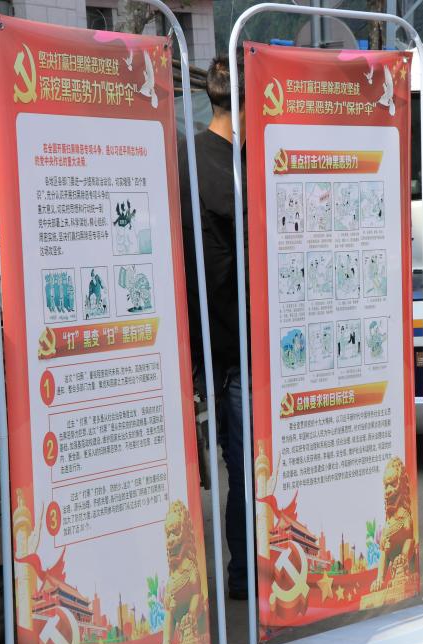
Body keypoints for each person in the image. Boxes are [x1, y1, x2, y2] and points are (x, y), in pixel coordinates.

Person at [184, 54, 249, 599]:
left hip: (208, 344)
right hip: (241, 344)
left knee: (238, 465)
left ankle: (242, 575)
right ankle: (249, 574)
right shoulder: (237, 172)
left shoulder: (188, 160)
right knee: (249, 466)